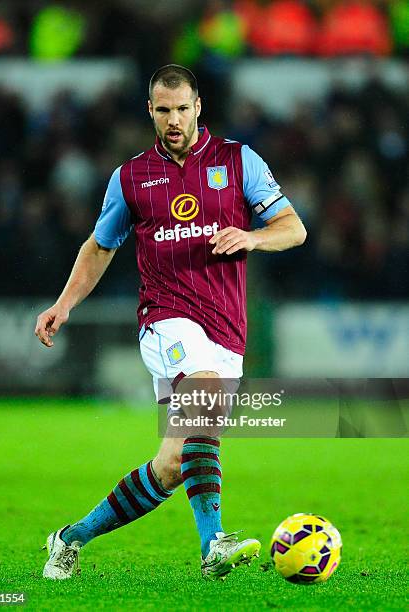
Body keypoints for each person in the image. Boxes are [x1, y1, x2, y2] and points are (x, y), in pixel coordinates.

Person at [35, 64, 306, 581]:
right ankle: (214, 545)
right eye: (164, 110)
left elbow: (293, 227)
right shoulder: (131, 177)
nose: (174, 119)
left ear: (198, 107)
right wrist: (64, 304)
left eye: (183, 109)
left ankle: (69, 538)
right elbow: (99, 246)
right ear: (151, 112)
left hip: (226, 327)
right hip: (165, 320)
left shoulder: (238, 161)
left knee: (173, 464)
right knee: (202, 396)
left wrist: (253, 237)